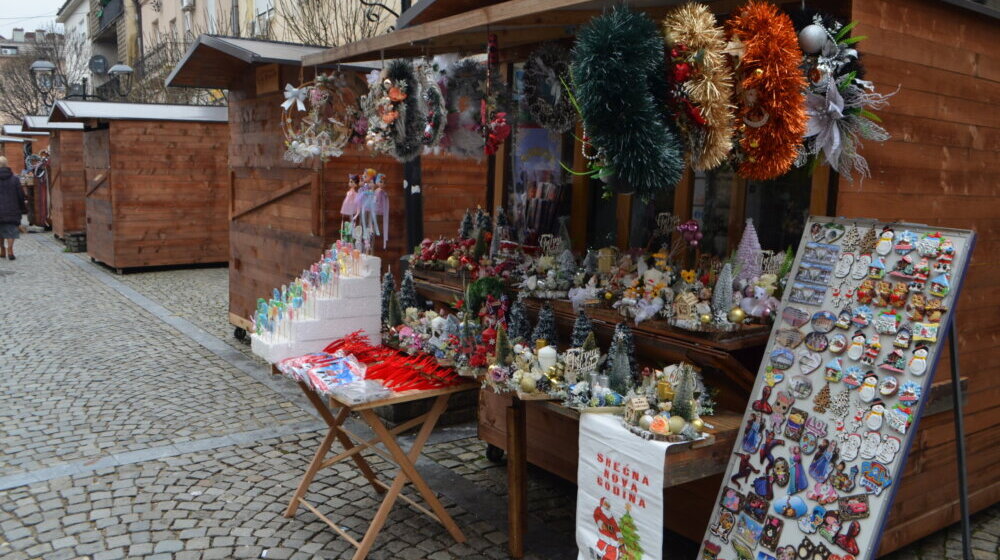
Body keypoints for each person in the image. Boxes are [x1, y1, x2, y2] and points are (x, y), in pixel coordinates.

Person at [0, 156, 27, 260]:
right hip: (12, 209)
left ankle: (2, 249)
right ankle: (10, 250)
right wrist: (22, 207)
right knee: (11, 230)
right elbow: (20, 195)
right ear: (7, 164)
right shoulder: (15, 179)